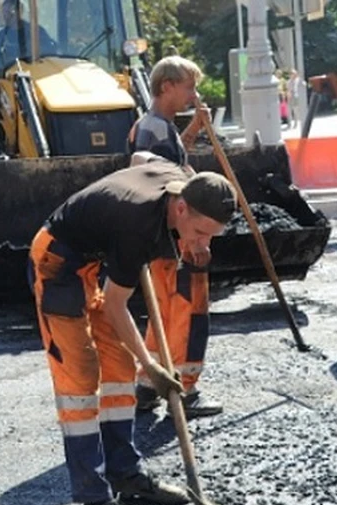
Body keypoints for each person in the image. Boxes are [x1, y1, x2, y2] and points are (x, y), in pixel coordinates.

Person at [29, 153, 238, 505]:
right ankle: (95, 504)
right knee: (80, 378)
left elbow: (142, 157)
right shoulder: (137, 224)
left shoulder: (183, 181)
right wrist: (153, 367)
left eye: (213, 235)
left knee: (119, 369)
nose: (204, 242)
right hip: (57, 262)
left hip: (90, 262)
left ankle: (126, 474)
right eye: (201, 232)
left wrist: (194, 240)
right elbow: (115, 303)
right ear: (179, 207)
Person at [127, 56, 223, 419]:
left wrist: (196, 127)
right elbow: (172, 184)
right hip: (178, 237)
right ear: (166, 86)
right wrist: (197, 240)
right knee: (188, 311)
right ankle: (185, 388)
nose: (193, 95)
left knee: (164, 311)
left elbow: (173, 161)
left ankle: (150, 383)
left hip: (160, 238)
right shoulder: (156, 130)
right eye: (188, 87)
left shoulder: (152, 127)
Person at [0, 0, 58, 68]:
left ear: (18, 12)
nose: (5, 17)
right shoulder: (1, 36)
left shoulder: (36, 32)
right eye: (4, 13)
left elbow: (50, 52)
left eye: (8, 13)